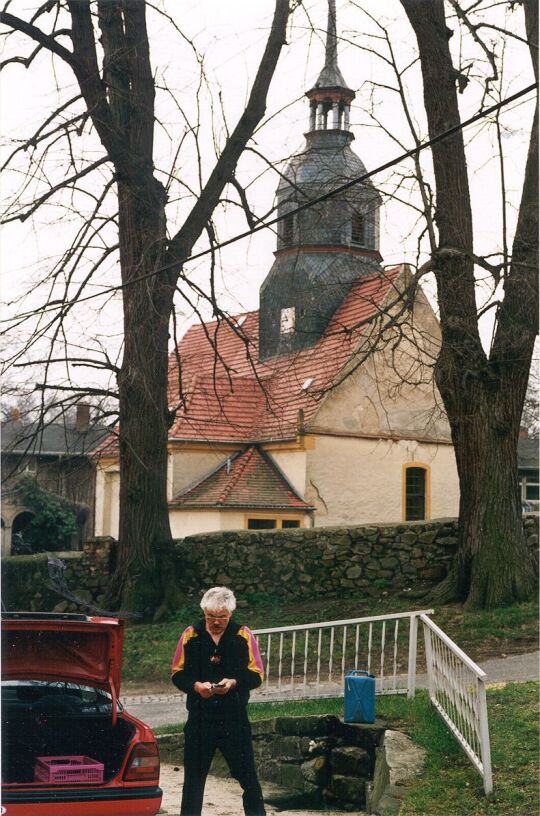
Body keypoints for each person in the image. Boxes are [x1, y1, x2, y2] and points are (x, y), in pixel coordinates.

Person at [171, 586, 266, 816]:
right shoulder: (190, 635)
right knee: (193, 781)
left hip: (234, 719)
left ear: (230, 614)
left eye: (221, 618)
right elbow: (177, 673)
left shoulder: (242, 635)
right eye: (210, 617)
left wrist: (233, 683)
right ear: (204, 613)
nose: (215, 622)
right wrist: (196, 687)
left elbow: (257, 674)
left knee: (248, 778)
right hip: (200, 718)